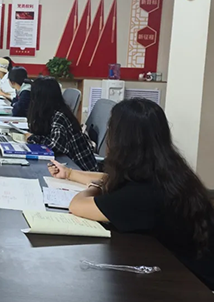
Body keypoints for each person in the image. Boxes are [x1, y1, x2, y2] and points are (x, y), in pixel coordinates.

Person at [48, 98, 214, 290]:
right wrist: (70, 174)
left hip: (194, 287)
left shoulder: (141, 195)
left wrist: (94, 187)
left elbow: (77, 205)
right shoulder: (168, 172)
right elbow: (108, 178)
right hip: (188, 272)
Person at [26, 76, 97, 171]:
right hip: (69, 166)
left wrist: (33, 138)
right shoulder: (50, 113)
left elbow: (56, 146)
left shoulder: (59, 116)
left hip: (81, 169)